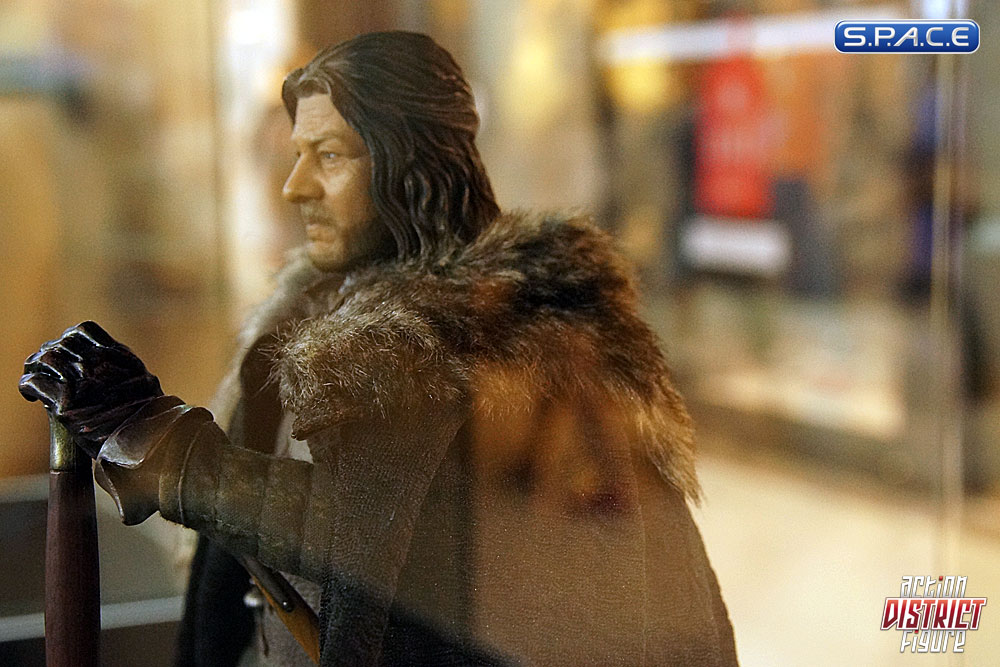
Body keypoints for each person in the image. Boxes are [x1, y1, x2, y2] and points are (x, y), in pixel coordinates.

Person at [20, 31, 738, 667]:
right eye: (298, 155)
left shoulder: (521, 345)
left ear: (412, 164)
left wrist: (169, 450)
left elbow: (392, 546)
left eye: (329, 155)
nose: (295, 186)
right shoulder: (312, 320)